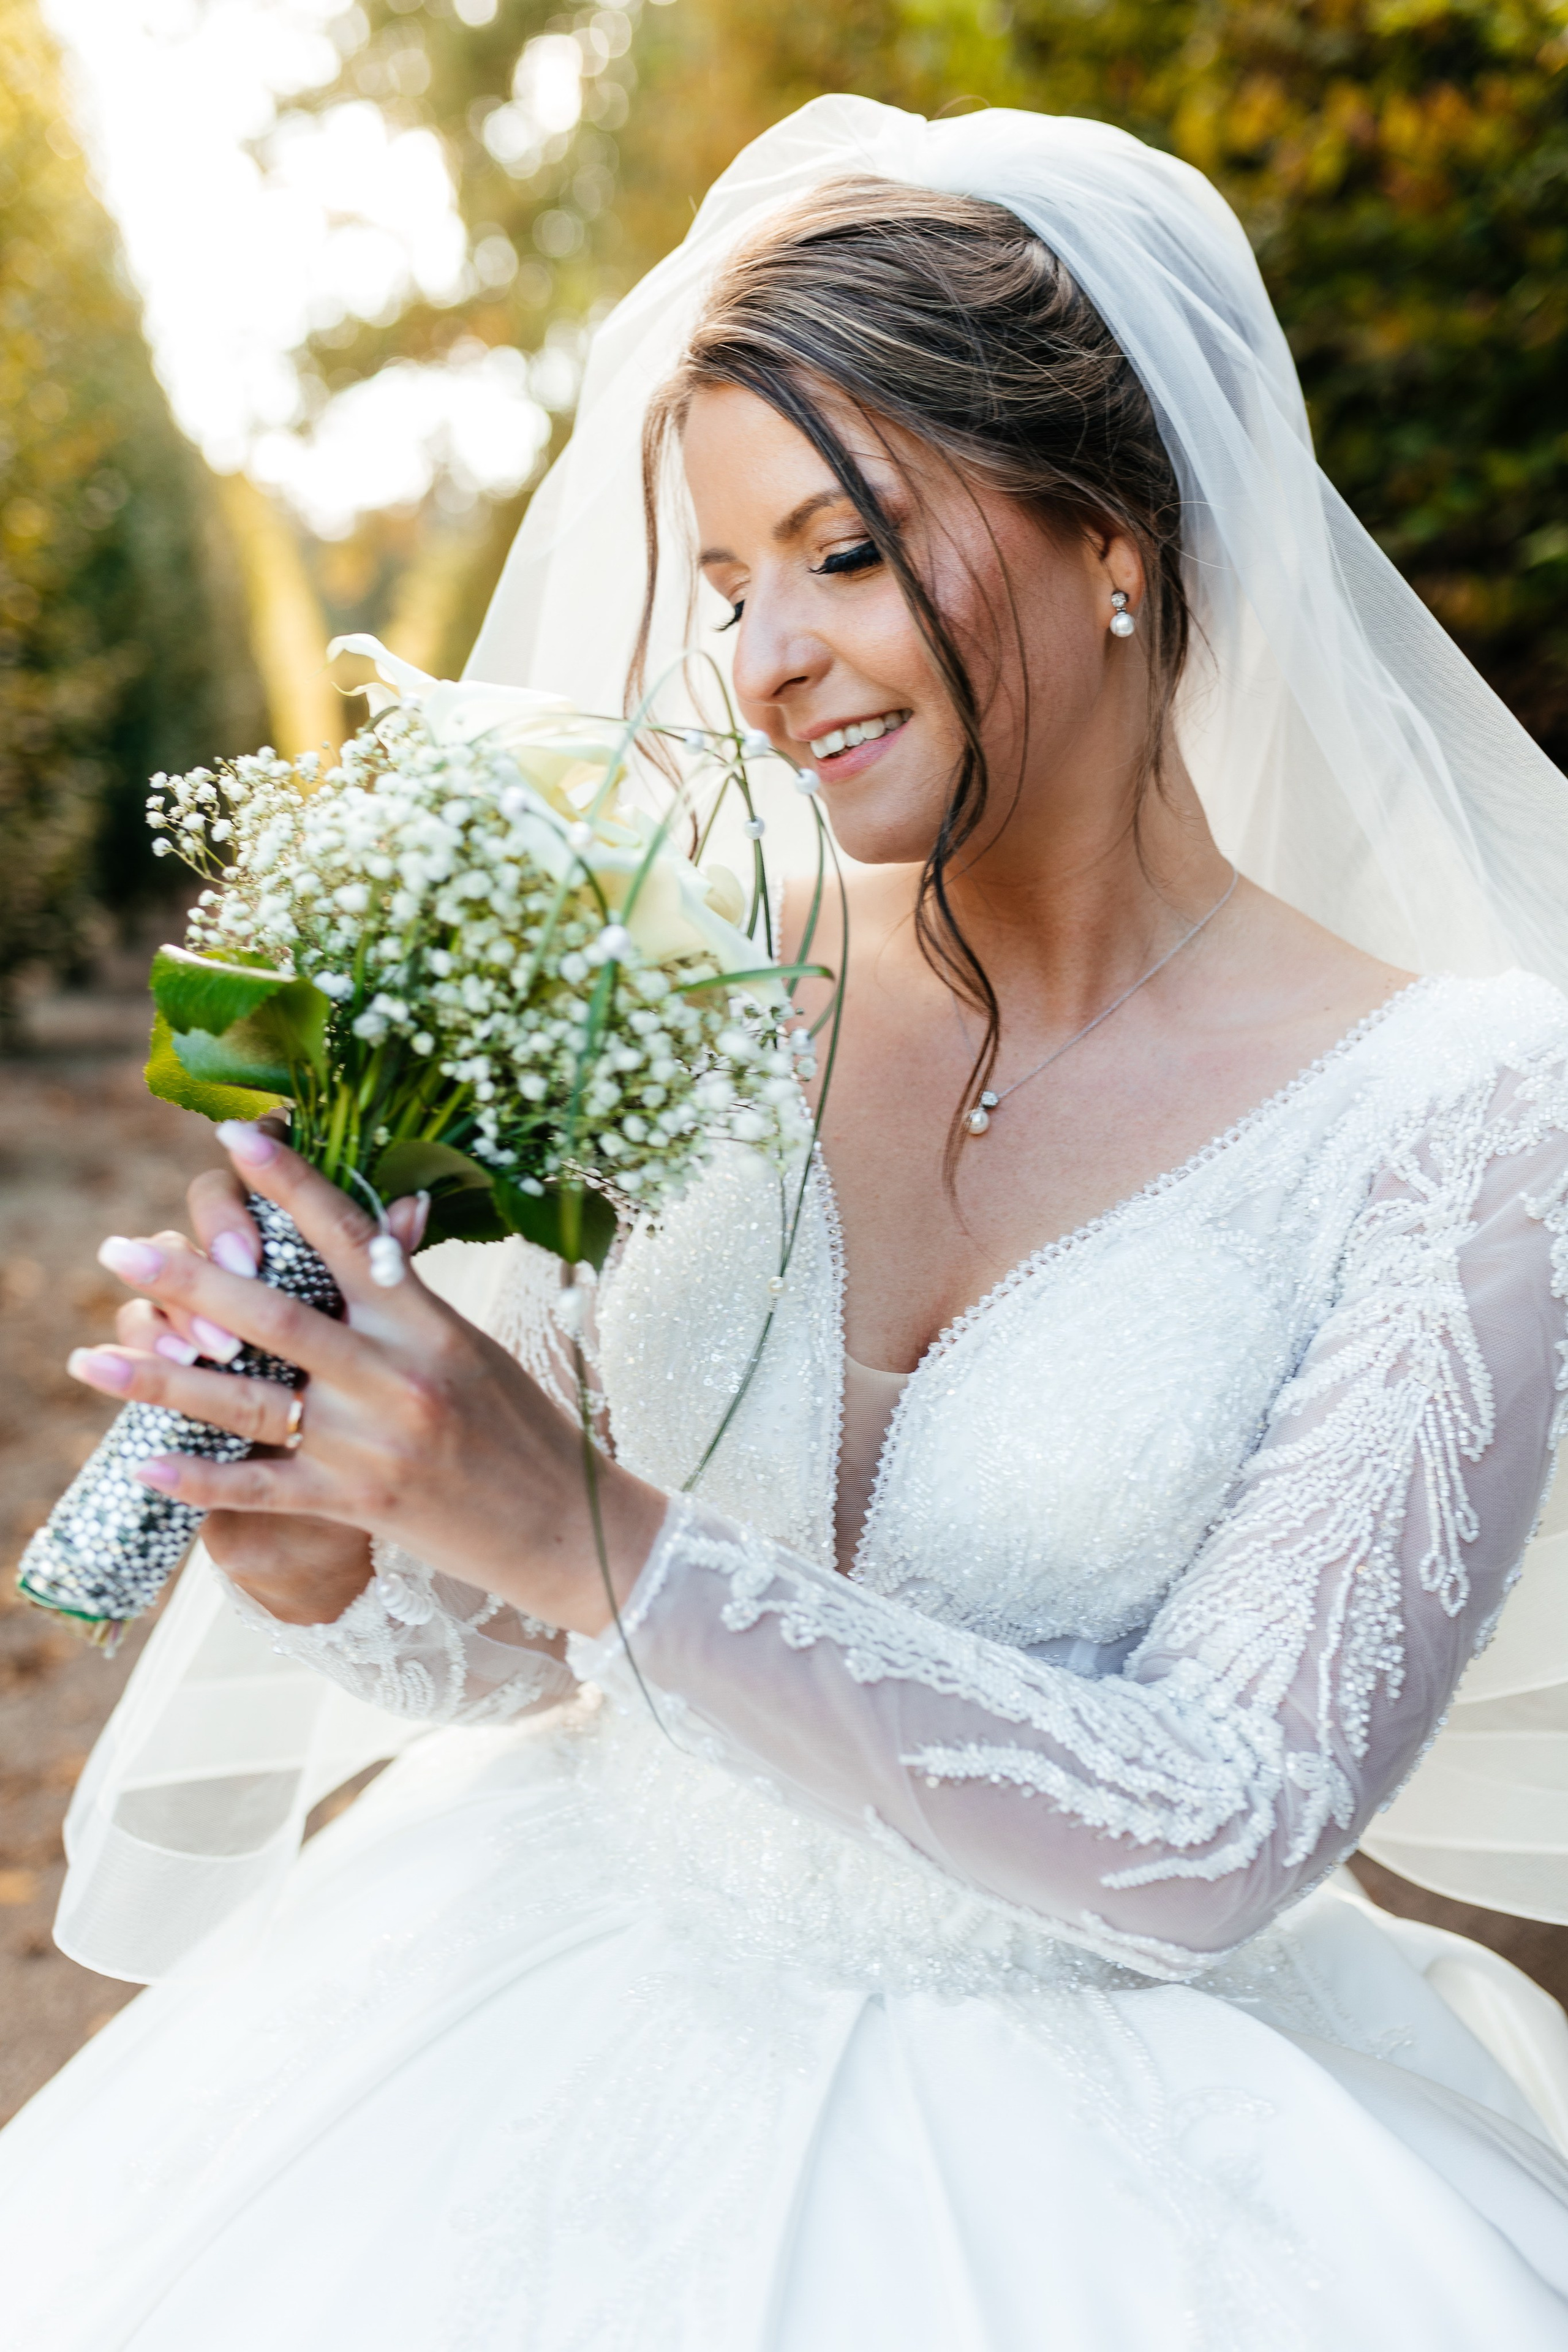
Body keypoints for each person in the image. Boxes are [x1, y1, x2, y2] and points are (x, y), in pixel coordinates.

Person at [4, 94, 1568, 2350]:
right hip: (541, 2037)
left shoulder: (1466, 1111)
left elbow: (1224, 1825)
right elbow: (548, 1648)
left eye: (845, 553)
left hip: (1115, 2188)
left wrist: (579, 1535)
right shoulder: (701, 979)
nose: (761, 662)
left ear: (1114, 530)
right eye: (728, 585)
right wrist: (337, 1541)